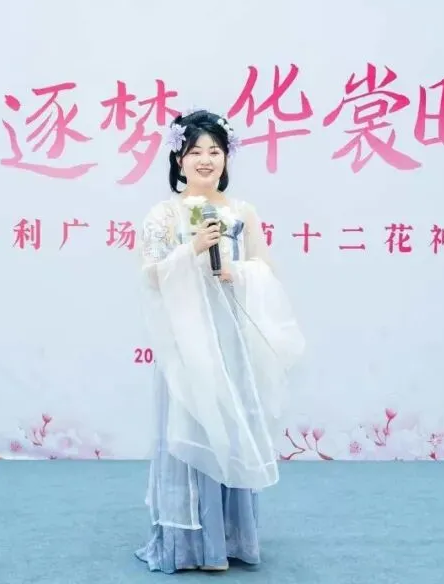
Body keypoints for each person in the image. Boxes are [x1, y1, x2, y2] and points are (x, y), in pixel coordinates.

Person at [134, 109, 305, 573]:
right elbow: (150, 275)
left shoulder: (241, 212)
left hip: (231, 340)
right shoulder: (164, 215)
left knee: (230, 427)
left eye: (215, 151)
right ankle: (191, 545)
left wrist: (237, 272)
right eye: (195, 152)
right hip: (185, 342)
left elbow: (265, 266)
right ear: (179, 159)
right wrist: (190, 250)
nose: (206, 160)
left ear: (227, 158)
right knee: (192, 422)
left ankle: (230, 539)